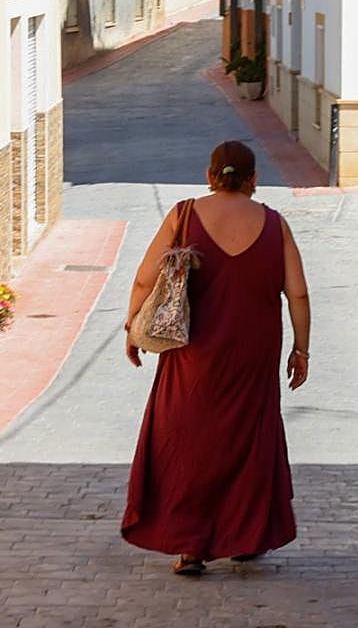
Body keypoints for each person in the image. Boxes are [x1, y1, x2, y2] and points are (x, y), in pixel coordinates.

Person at [121, 140, 311, 576]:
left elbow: (144, 279)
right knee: (248, 440)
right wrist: (301, 349)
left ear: (209, 176)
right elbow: (298, 293)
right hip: (254, 354)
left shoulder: (184, 215)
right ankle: (244, 538)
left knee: (188, 440)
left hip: (193, 353)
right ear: (254, 180)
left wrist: (133, 326)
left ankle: (191, 548)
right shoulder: (275, 224)